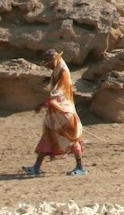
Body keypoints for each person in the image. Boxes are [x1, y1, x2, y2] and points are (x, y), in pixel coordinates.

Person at [22, 48, 86, 176]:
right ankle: (36, 167)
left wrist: (43, 104)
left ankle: (80, 167)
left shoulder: (63, 73)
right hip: (57, 111)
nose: (48, 66)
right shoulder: (57, 71)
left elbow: (59, 93)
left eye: (49, 63)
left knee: (72, 139)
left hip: (65, 111)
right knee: (48, 136)